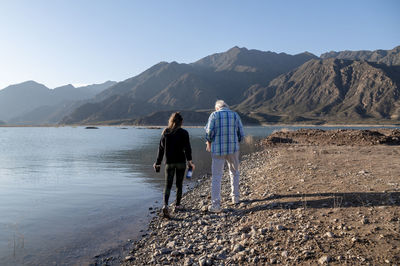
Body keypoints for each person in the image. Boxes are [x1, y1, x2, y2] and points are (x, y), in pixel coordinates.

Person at [205, 100, 245, 213]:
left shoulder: (214, 115)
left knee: (217, 176)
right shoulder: (234, 115)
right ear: (226, 106)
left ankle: (216, 205)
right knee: (234, 172)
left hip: (218, 150)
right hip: (233, 149)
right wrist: (236, 143)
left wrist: (209, 142)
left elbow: (209, 133)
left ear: (217, 108)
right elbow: (241, 134)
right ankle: (235, 198)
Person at [154, 112, 195, 218]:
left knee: (168, 185)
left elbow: (161, 150)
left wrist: (158, 163)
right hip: (181, 162)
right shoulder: (184, 133)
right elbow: (187, 148)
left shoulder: (166, 132)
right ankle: (177, 205)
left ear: (171, 121)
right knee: (179, 184)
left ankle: (165, 205)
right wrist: (190, 161)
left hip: (169, 163)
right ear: (181, 122)